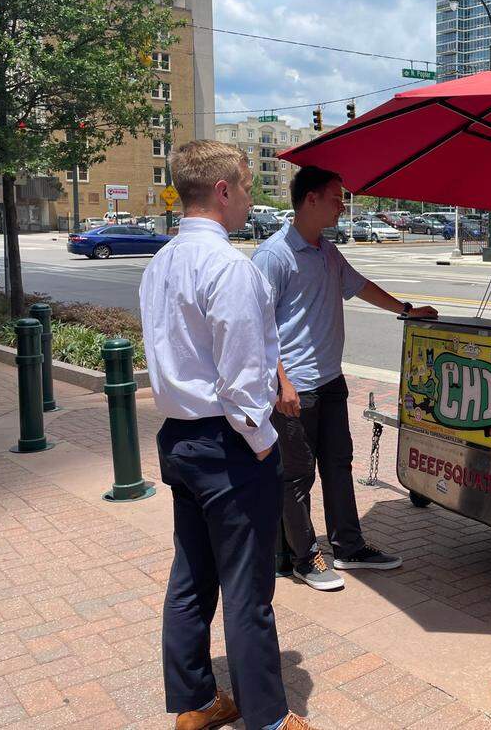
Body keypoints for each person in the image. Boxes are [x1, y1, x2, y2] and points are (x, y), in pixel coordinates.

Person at [139, 141, 316, 730]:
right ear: (221, 190)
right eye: (244, 188)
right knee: (247, 590)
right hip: (228, 444)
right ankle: (266, 717)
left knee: (191, 577)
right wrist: (264, 443)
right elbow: (243, 381)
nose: (248, 199)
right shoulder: (229, 267)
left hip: (180, 440)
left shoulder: (160, 263)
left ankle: (194, 702)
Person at [253, 167, 437, 592]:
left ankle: (349, 547)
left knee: (338, 466)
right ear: (311, 199)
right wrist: (282, 383)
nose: (342, 205)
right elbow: (258, 326)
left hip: (330, 381)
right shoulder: (274, 256)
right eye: (336, 198)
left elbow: (359, 285)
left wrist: (406, 309)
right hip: (294, 387)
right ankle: (304, 557)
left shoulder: (326, 251)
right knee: (297, 476)